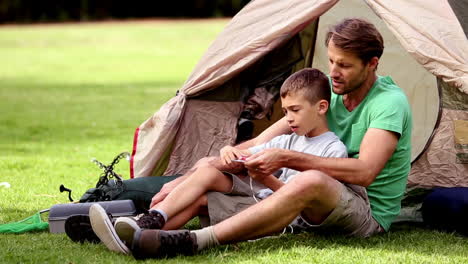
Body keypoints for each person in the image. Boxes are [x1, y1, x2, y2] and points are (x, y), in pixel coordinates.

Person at [91, 17, 413, 259]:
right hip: (297, 192)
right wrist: (221, 158)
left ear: (372, 64)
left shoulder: (388, 104)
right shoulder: (329, 91)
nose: (334, 71)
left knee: (310, 179)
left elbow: (365, 171)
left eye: (344, 65)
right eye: (331, 61)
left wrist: (285, 159)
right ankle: (141, 230)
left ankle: (198, 240)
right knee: (209, 173)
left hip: (363, 211)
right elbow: (265, 142)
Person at [90, 67, 350, 256]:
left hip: (278, 216)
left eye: (295, 110)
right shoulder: (288, 140)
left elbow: (301, 203)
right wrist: (229, 153)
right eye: (285, 112)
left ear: (322, 107)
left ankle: (138, 232)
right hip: (259, 197)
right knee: (206, 172)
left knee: (201, 199)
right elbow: (251, 154)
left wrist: (265, 177)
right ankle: (149, 222)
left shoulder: (332, 150)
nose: (289, 119)